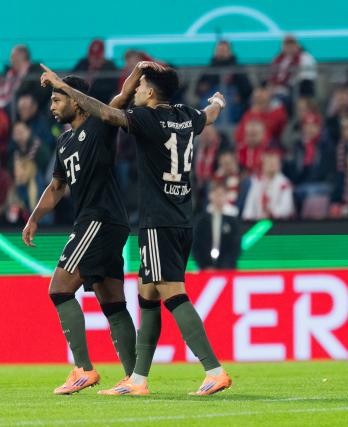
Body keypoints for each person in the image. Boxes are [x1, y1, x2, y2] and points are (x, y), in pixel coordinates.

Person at [40, 62, 232, 396]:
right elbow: (209, 115)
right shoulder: (187, 115)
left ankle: (213, 369)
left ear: (151, 91)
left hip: (158, 219)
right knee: (147, 296)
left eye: (141, 86)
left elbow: (106, 113)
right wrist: (216, 102)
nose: (137, 91)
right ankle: (137, 379)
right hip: (182, 216)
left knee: (170, 292)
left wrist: (65, 86)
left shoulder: (148, 118)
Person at [22, 72, 144, 394]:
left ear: (75, 100)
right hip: (104, 222)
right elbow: (57, 186)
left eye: (58, 98)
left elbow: (121, 100)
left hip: (98, 220)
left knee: (60, 289)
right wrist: (34, 217)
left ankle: (83, 370)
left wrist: (138, 71)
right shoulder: (63, 142)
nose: (52, 105)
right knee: (112, 301)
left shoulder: (99, 125)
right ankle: (135, 379)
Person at [192, 184, 241, 270]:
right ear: (210, 195)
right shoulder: (202, 220)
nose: (219, 198)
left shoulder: (232, 221)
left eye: (222, 194)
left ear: (226, 196)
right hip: (205, 270)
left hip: (227, 270)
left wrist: (225, 266)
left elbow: (235, 246)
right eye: (216, 194)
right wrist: (205, 266)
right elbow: (196, 245)